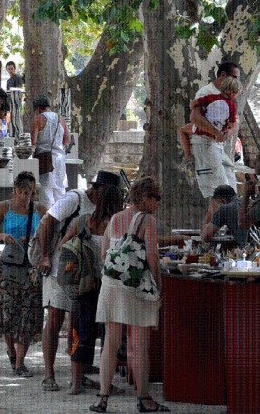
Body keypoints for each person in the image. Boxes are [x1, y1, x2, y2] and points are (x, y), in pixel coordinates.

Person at [35, 170, 125, 391]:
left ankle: (80, 375)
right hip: (61, 268)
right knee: (55, 318)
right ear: (99, 189)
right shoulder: (74, 199)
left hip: (85, 277)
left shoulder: (102, 210)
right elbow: (47, 221)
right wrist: (45, 256)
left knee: (80, 323)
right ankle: (49, 374)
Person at [92, 176, 168, 413]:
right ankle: (144, 398)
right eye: (156, 198)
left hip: (111, 285)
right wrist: (158, 286)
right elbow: (153, 259)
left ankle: (103, 398)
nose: (158, 203)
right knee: (138, 345)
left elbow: (105, 253)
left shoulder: (114, 218)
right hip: (135, 288)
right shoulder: (148, 221)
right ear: (145, 197)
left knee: (110, 344)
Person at [61, 181, 125, 395]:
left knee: (80, 334)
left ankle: (75, 383)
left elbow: (64, 246)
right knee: (109, 337)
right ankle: (106, 384)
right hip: (110, 286)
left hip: (82, 285)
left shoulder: (82, 222)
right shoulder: (118, 226)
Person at [0, 172, 43, 375]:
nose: (24, 197)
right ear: (15, 190)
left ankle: (20, 362)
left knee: (27, 314)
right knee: (7, 313)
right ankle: (11, 352)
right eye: (21, 192)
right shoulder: (4, 207)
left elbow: (52, 232)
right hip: (8, 266)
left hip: (30, 268)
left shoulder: (39, 210)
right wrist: (3, 236)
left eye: (28, 193)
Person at [185, 72, 242, 197]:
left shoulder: (210, 97)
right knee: (221, 189)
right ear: (233, 93)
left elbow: (195, 103)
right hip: (208, 143)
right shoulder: (231, 106)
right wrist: (223, 131)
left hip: (210, 140)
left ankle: (188, 156)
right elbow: (233, 123)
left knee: (225, 183)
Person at [31, 96, 69, 210]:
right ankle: (61, 222)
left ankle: (47, 223)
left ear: (37, 109)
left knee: (46, 195)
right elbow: (67, 140)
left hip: (45, 161)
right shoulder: (61, 119)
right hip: (60, 161)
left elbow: (33, 142)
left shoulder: (38, 119)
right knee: (60, 193)